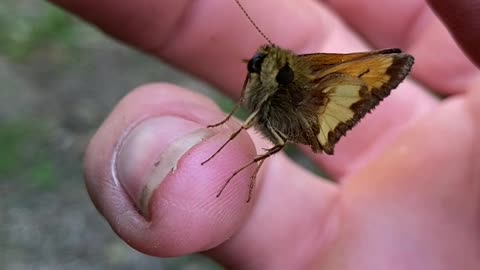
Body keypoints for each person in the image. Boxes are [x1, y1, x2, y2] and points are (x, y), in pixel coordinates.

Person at [51, 0, 480, 268]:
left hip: (314, 115)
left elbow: (378, 66)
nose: (254, 67)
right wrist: (228, 119)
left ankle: (248, 162)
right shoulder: (268, 77)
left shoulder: (295, 77)